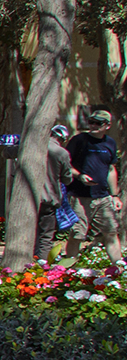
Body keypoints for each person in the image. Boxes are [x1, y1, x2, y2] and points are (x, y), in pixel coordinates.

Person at [66, 108, 123, 265]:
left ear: (108, 126)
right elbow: (66, 164)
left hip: (103, 197)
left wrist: (115, 195)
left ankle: (119, 269)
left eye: (98, 123)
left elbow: (111, 170)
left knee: (111, 232)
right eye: (91, 122)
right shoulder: (79, 140)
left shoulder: (110, 143)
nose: (93, 125)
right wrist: (79, 176)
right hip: (79, 196)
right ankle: (68, 270)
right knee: (77, 234)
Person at [36, 124, 75, 262]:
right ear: (63, 139)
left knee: (29, 232)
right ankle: (42, 264)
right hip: (48, 198)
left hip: (27, 200)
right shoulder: (61, 153)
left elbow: (7, 153)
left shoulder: (32, 145)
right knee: (45, 235)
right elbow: (67, 178)